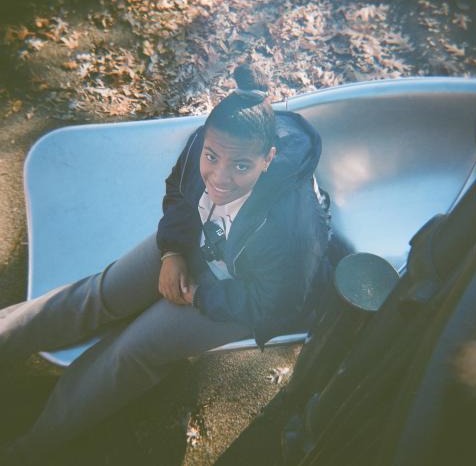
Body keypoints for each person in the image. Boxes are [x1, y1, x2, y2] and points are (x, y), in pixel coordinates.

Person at [0, 63, 331, 464]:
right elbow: (178, 191)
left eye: (241, 166)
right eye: (213, 157)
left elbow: (277, 305)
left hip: (241, 290)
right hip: (198, 244)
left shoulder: (288, 225)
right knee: (100, 293)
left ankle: (31, 447)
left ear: (268, 159)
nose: (220, 177)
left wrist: (201, 297)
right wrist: (173, 252)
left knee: (135, 349)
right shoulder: (206, 144)